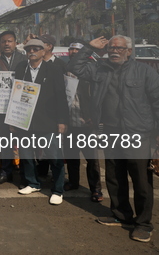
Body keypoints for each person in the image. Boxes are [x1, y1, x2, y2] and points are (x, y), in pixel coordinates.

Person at [68, 35, 159, 243]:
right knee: (114, 176)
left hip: (137, 133)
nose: (114, 51)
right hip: (110, 132)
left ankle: (144, 223)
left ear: (129, 51)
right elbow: (75, 66)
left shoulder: (145, 72)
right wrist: (89, 47)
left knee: (141, 181)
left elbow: (157, 101)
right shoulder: (99, 69)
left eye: (119, 48)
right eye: (111, 48)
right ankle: (121, 215)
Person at [14, 38, 69, 205]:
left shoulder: (53, 69)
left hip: (48, 121)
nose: (32, 52)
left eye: (36, 49)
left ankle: (58, 190)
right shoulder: (21, 68)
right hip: (25, 120)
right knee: (26, 154)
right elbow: (15, 93)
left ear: (44, 51)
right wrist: (13, 118)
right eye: (29, 49)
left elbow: (61, 96)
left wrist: (62, 120)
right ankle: (33, 183)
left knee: (54, 156)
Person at [0, 31, 27, 185]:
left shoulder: (24, 59)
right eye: (3, 41)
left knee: (23, 143)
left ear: (16, 42)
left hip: (20, 109)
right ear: (0, 44)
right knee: (5, 142)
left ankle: (24, 176)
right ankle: (6, 173)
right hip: (1, 108)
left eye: (9, 41)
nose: (7, 44)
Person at [63, 41, 103, 202]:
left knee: (92, 158)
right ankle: (73, 182)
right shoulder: (64, 69)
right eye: (71, 49)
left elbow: (98, 97)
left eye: (77, 50)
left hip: (87, 121)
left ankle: (96, 189)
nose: (73, 52)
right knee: (72, 156)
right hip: (69, 120)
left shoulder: (93, 69)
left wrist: (95, 117)